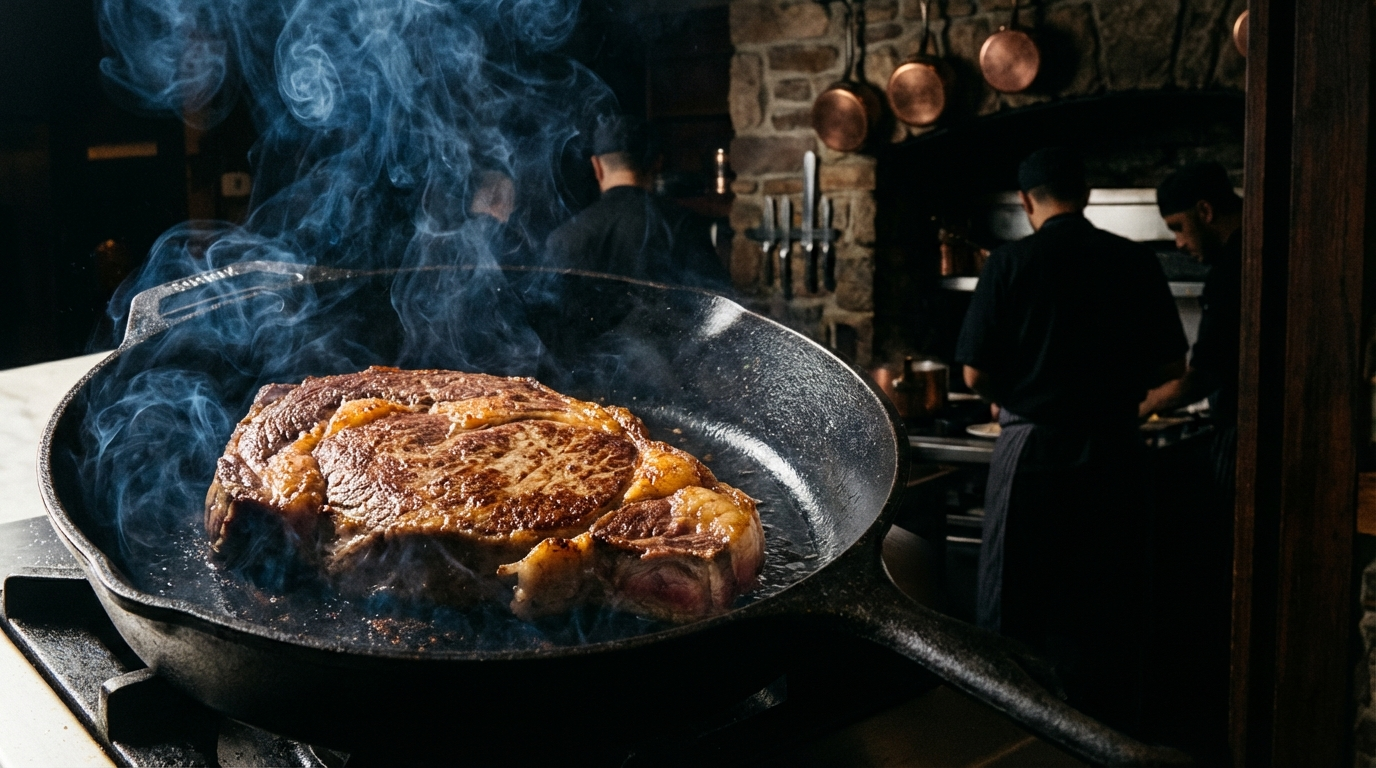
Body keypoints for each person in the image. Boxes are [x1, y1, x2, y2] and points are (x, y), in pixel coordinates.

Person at [955, 148, 1188, 731]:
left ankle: (1019, 731)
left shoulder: (1010, 261)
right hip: (1115, 452)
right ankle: (1106, 732)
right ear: (1083, 196)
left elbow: (974, 375)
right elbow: (1169, 369)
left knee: (1017, 602)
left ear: (1029, 202)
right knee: (1108, 598)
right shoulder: (1133, 261)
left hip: (1033, 453)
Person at [1141, 162, 1242, 497]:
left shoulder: (1231, 272)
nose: (1179, 243)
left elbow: (1202, 376)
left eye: (1178, 227)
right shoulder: (1262, 247)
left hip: (1243, 436)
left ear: (1205, 211)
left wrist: (1143, 405)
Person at [545, 115, 729, 289]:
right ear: (657, 163)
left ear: (597, 166)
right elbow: (718, 302)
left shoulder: (563, 238)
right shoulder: (683, 225)